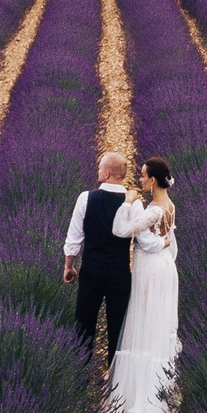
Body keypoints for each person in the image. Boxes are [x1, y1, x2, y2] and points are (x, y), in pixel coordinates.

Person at [107, 156, 180, 413]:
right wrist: (163, 244)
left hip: (150, 270)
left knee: (144, 324)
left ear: (152, 180)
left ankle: (144, 402)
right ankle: (160, 393)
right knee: (157, 325)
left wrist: (128, 202)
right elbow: (169, 243)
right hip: (165, 269)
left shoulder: (152, 210)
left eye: (142, 176)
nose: (139, 180)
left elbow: (123, 231)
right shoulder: (169, 205)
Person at [63, 152, 134, 358]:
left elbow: (74, 237)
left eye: (100, 167)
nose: (98, 170)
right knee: (118, 328)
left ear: (107, 173)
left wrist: (69, 265)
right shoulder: (132, 203)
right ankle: (115, 379)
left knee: (84, 325)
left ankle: (81, 377)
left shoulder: (86, 198)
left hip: (92, 270)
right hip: (119, 273)